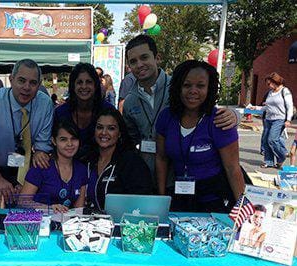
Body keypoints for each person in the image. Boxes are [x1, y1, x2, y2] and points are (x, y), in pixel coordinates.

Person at [123, 34, 238, 185]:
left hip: (179, 176)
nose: (139, 65)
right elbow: (131, 139)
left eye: (144, 57)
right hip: (145, 175)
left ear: (157, 58)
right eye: (133, 61)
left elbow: (206, 111)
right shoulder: (130, 101)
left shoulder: (180, 87)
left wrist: (235, 115)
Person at [155, 60, 245, 213]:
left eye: (200, 86)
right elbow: (161, 158)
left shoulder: (219, 120)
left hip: (213, 199)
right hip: (178, 197)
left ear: (209, 88)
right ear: (178, 87)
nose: (193, 91)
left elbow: (232, 168)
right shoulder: (166, 117)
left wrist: (243, 210)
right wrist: (162, 198)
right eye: (187, 85)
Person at [0, 59, 53, 208]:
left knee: (27, 224)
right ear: (11, 79)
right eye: (21, 81)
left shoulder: (45, 104)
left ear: (39, 84)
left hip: (27, 170)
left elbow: (43, 144)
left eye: (33, 83)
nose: (26, 87)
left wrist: (40, 154)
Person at [86, 108, 153, 212]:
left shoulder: (132, 163)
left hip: (121, 224)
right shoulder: (87, 160)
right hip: (87, 224)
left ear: (119, 133)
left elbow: (142, 202)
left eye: (111, 128)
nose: (104, 133)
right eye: (99, 127)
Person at [20, 120, 87, 213]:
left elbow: (79, 209)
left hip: (68, 224)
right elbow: (23, 201)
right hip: (40, 222)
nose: (70, 144)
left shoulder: (81, 169)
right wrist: (49, 208)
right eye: (63, 139)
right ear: (54, 141)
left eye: (74, 139)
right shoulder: (42, 165)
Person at [54, 63, 115, 161]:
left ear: (95, 85)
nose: (84, 86)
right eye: (79, 82)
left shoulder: (108, 110)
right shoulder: (61, 112)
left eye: (89, 82)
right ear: (73, 86)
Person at [260, 72, 294, 169]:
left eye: (270, 83)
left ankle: (282, 156)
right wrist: (256, 108)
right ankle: (269, 161)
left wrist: (288, 119)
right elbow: (267, 107)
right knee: (266, 141)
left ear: (276, 82)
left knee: (272, 139)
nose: (269, 86)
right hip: (268, 119)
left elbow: (289, 106)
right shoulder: (270, 93)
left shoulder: (285, 91)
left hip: (279, 119)